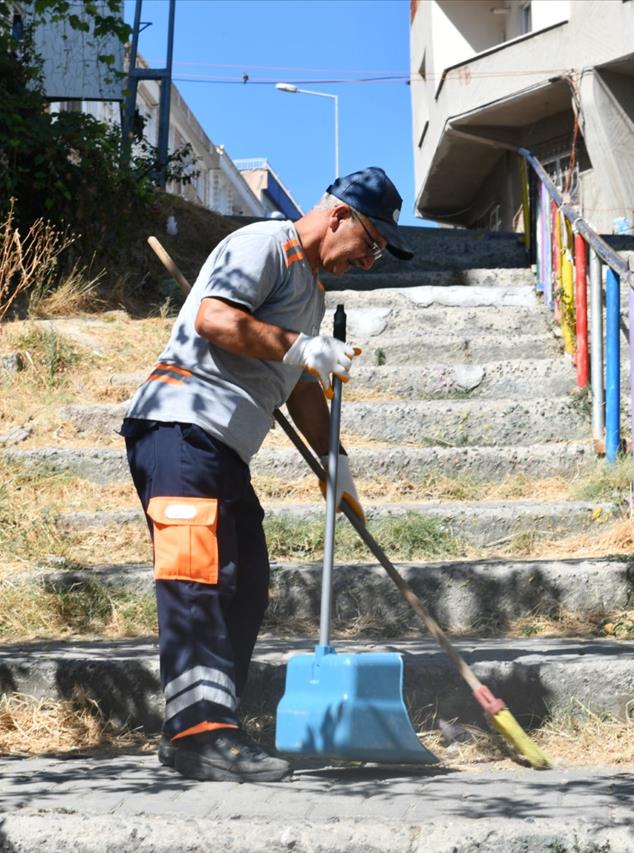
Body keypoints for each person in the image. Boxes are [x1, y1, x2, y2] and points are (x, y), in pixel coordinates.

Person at [120, 167, 414, 783]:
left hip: (220, 449)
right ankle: (203, 736)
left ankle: (201, 727)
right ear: (338, 216)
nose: (369, 261)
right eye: (371, 244)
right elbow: (213, 320)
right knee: (198, 580)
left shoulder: (313, 292)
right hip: (179, 428)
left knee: (246, 582)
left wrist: (336, 462)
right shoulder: (264, 245)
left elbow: (304, 389)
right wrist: (299, 346)